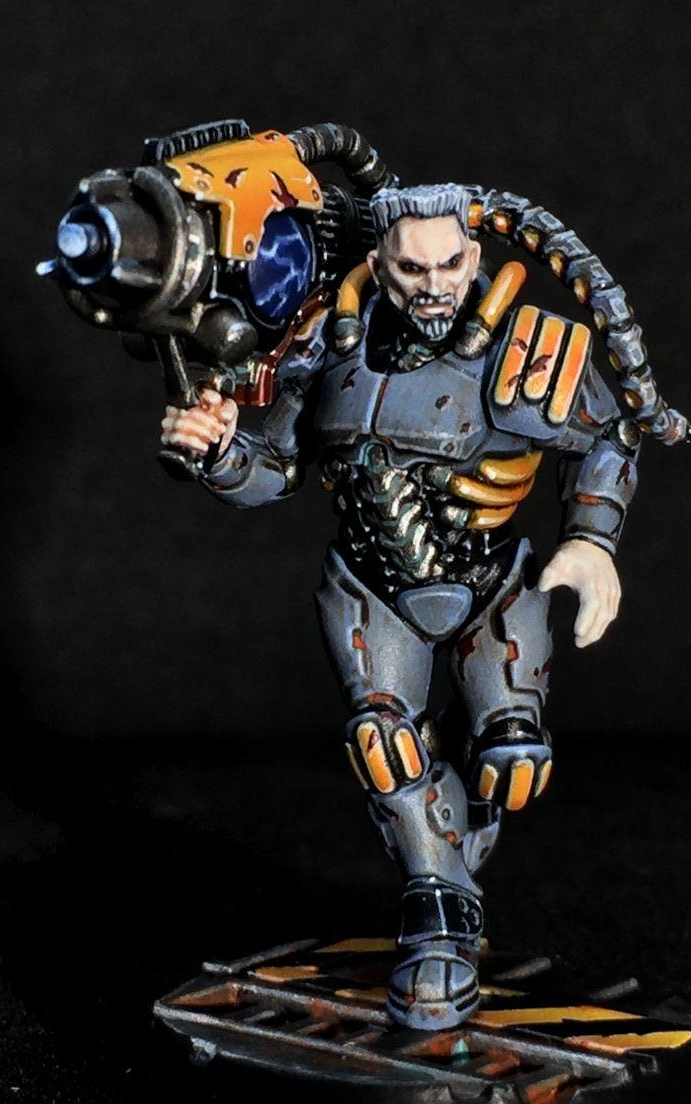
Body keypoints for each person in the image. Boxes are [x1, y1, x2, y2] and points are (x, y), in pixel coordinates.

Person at [161, 183, 639, 1030]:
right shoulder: (324, 347)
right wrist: (221, 450)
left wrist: (592, 539)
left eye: (449, 264)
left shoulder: (524, 348)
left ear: (474, 258)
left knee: (509, 762)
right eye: (412, 268)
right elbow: (275, 470)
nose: (433, 284)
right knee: (382, 744)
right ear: (379, 264)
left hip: (493, 589)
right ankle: (439, 916)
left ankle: (451, 831)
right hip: (372, 590)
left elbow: (608, 433)